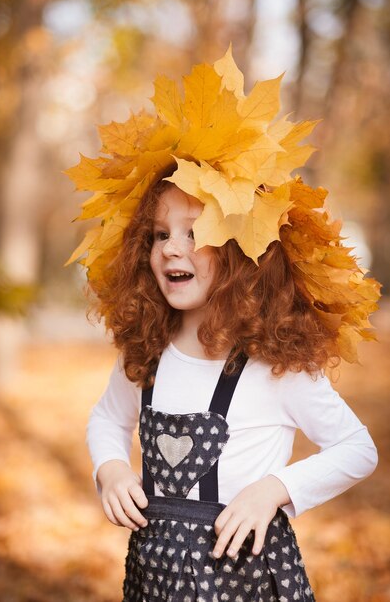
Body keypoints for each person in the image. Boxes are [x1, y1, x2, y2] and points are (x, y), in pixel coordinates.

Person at [66, 49, 380, 602]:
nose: (172, 249)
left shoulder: (273, 363)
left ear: (240, 251)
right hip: (155, 581)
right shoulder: (150, 351)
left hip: (245, 582)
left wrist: (274, 490)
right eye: (160, 235)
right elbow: (106, 419)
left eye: (194, 232)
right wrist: (111, 469)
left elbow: (357, 449)